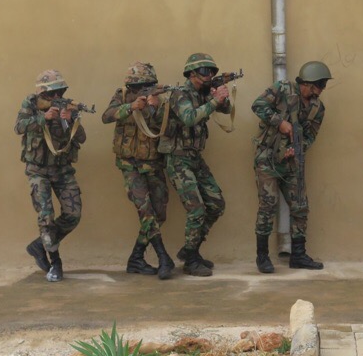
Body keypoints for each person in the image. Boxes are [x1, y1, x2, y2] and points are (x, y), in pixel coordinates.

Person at [250, 61, 331, 273]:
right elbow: (258, 105)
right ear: (307, 83)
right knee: (268, 205)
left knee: (300, 206)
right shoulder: (282, 90)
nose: (321, 89)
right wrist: (280, 122)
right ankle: (262, 256)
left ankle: (298, 255)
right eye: (320, 84)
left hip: (291, 161)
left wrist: (297, 149)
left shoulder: (317, 108)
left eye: (323, 85)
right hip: (267, 157)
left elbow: (311, 135)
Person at [159, 52, 232, 277]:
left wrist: (221, 97)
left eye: (212, 72)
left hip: (195, 158)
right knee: (196, 209)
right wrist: (213, 100)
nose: (209, 75)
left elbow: (226, 110)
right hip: (178, 159)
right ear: (191, 73)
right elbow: (189, 118)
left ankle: (191, 249)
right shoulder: (180, 94)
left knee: (216, 203)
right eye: (204, 71)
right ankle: (190, 260)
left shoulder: (203, 93)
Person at [101, 61, 176, 280]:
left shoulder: (161, 101)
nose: (139, 91)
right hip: (129, 165)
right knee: (145, 211)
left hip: (152, 164)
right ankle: (163, 257)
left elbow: (169, 128)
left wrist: (152, 109)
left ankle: (136, 258)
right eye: (136, 88)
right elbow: (106, 116)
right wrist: (131, 106)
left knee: (159, 213)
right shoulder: (121, 96)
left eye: (146, 86)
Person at [14, 70, 86, 282]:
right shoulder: (31, 104)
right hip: (38, 170)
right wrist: (42, 118)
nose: (57, 97)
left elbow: (82, 137)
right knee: (46, 216)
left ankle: (40, 244)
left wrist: (71, 120)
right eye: (52, 93)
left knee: (73, 215)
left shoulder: (69, 107)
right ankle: (55, 261)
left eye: (60, 92)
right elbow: (18, 126)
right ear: (43, 93)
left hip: (62, 169)